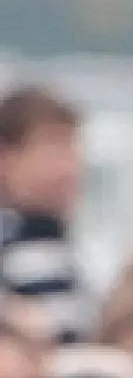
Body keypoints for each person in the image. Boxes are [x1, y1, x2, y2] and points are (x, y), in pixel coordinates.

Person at [0, 85, 88, 336]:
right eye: (52, 150)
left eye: (71, 150)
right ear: (5, 158)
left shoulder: (57, 240)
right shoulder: (11, 241)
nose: (68, 169)